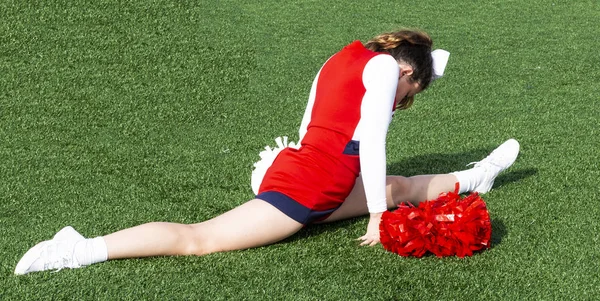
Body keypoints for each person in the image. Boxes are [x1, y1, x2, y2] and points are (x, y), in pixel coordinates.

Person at [14, 29, 520, 275]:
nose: (407, 101)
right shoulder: (387, 71)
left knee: (403, 187)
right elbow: (373, 142)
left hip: (314, 173)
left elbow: (309, 122)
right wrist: (373, 218)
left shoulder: (345, 56)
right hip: (311, 187)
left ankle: (482, 175)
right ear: (409, 73)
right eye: (414, 94)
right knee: (200, 239)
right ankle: (76, 249)